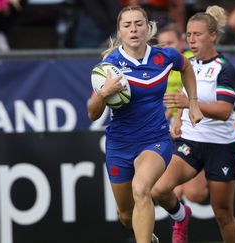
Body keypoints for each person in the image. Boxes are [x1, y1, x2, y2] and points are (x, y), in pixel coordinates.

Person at [87, 5, 203, 243]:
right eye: (127, 25)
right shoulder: (109, 66)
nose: (134, 29)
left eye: (139, 23)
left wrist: (192, 102)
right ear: (120, 31)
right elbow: (92, 113)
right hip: (119, 144)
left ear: (148, 28)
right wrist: (103, 93)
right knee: (125, 214)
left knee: (141, 189)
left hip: (155, 139)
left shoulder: (164, 56)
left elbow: (186, 67)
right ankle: (175, 218)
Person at [152, 5, 235, 243]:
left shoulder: (224, 68)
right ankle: (181, 216)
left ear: (212, 36)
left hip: (220, 146)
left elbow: (224, 111)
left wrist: (190, 103)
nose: (192, 40)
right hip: (191, 140)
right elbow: (186, 97)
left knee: (223, 213)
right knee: (159, 189)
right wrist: (179, 119)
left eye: (197, 34)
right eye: (189, 34)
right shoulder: (187, 64)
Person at [156, 24, 209, 203]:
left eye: (170, 42)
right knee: (171, 191)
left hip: (189, 127)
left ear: (181, 42)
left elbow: (187, 96)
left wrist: (171, 114)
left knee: (196, 194)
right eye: (162, 45)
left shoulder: (190, 62)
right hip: (164, 131)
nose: (167, 48)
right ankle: (179, 225)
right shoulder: (155, 65)